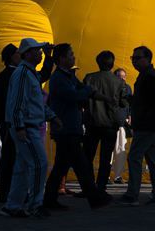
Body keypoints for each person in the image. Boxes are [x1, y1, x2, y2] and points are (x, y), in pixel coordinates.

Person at [43, 43, 113, 210]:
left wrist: (102, 97)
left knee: (61, 166)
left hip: (70, 127)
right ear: (61, 59)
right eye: (70, 55)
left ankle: (49, 200)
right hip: (65, 128)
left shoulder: (69, 76)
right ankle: (95, 198)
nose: (73, 57)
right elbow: (74, 95)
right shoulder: (59, 78)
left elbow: (83, 89)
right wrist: (88, 91)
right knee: (81, 165)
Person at [0, 38, 60, 218]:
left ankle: (13, 206)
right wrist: (19, 126)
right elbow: (17, 101)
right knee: (40, 164)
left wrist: (51, 116)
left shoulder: (30, 73)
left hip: (28, 125)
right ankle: (35, 205)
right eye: (36, 50)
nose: (40, 53)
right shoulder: (23, 74)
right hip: (27, 126)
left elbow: (35, 100)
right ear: (27, 53)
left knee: (23, 168)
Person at [0, 42, 54, 203]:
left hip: (11, 123)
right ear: (13, 56)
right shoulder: (18, 75)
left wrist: (48, 57)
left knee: (16, 162)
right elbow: (12, 102)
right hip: (17, 124)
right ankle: (23, 199)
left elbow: (43, 75)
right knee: (24, 161)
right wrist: (15, 124)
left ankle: (10, 197)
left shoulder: (17, 74)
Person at [118, 45, 155, 206]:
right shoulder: (146, 75)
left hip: (146, 124)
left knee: (134, 158)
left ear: (147, 59)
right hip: (147, 124)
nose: (134, 61)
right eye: (133, 58)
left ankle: (132, 194)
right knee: (154, 160)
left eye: (137, 58)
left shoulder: (149, 76)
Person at [83, 50, 127, 191]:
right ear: (112, 63)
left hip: (92, 122)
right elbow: (123, 103)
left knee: (87, 156)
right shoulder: (118, 82)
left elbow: (83, 99)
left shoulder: (89, 78)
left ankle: (89, 187)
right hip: (110, 124)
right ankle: (101, 187)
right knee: (105, 157)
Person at [112, 68, 132, 184]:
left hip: (122, 123)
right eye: (120, 76)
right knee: (108, 150)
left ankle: (117, 176)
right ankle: (105, 175)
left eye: (124, 76)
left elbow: (129, 104)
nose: (122, 78)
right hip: (110, 122)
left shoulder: (128, 88)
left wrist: (129, 116)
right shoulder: (111, 87)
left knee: (121, 149)